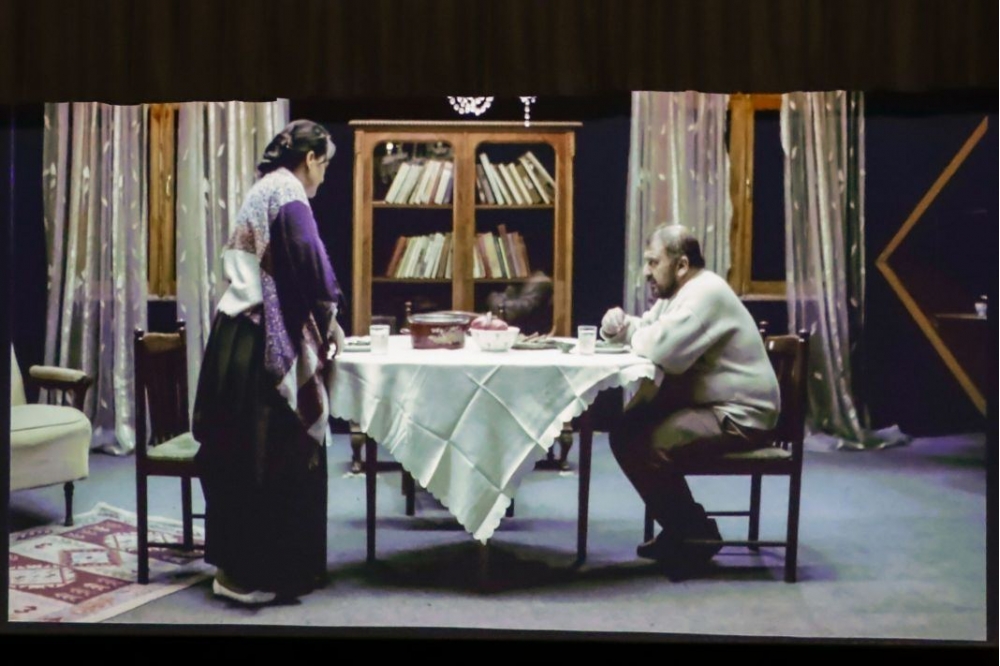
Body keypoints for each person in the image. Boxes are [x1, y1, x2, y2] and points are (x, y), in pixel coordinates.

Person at [192, 119, 345, 605]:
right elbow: (310, 262)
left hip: (236, 337)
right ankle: (249, 574)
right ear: (311, 159)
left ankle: (251, 569)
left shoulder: (267, 187)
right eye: (325, 165)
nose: (324, 177)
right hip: (257, 342)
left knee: (243, 456)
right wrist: (331, 318)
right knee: (265, 459)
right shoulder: (287, 191)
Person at [600, 224, 780, 579]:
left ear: (681, 265)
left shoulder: (705, 293)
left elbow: (662, 348)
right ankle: (686, 529)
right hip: (717, 407)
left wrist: (636, 333)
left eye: (653, 262)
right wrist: (616, 326)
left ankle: (694, 535)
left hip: (742, 415)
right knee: (626, 430)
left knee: (647, 441)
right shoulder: (679, 294)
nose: (646, 271)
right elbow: (648, 329)